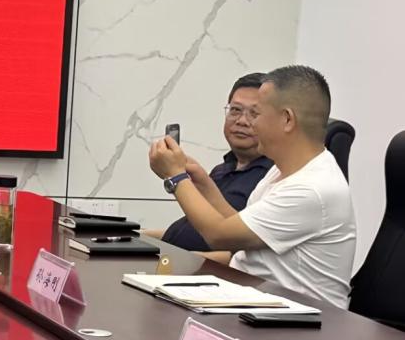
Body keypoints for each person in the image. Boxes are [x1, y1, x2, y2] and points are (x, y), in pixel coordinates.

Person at [147, 64, 355, 307]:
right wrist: (201, 181)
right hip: (255, 300)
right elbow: (236, 228)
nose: (249, 124)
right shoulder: (283, 170)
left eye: (256, 114)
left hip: (296, 319)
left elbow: (219, 236)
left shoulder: (312, 188)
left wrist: (175, 177)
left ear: (287, 119)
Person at [146, 73, 273, 251]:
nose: (242, 121)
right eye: (235, 110)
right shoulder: (221, 170)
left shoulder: (273, 177)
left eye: (254, 113)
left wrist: (175, 176)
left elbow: (239, 251)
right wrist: (133, 235)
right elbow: (188, 232)